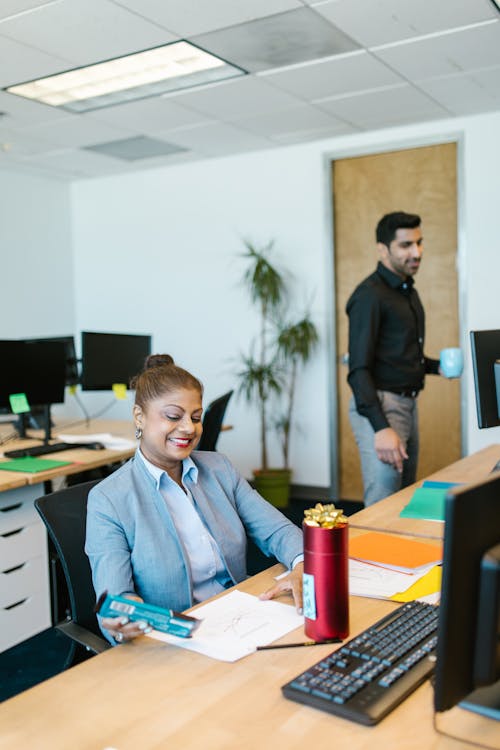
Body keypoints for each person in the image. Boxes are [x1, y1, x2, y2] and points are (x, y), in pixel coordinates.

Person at [85, 354, 304, 644]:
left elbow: (277, 530)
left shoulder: (219, 469)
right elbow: (116, 597)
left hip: (238, 616)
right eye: (173, 416)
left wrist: (303, 566)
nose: (189, 428)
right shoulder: (108, 499)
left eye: (196, 417)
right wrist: (123, 619)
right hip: (176, 639)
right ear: (139, 416)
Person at [346, 211, 441, 506]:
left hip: (406, 403)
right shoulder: (370, 296)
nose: (416, 252)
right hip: (381, 405)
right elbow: (358, 369)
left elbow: (397, 357)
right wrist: (381, 427)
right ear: (382, 249)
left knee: (404, 498)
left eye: (419, 243)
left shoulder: (405, 290)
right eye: (405, 245)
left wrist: (439, 367)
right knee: (383, 502)